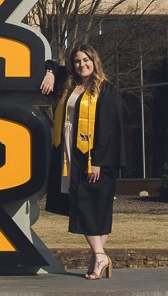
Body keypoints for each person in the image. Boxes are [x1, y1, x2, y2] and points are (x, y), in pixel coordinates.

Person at [39, 43, 126, 279]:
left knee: (90, 205)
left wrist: (97, 160)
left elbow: (108, 129)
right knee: (89, 205)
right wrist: (49, 72)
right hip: (69, 153)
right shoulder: (70, 85)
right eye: (77, 61)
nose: (82, 65)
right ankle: (99, 256)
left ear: (94, 61)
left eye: (86, 60)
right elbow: (51, 65)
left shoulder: (105, 89)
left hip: (93, 157)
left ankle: (99, 256)